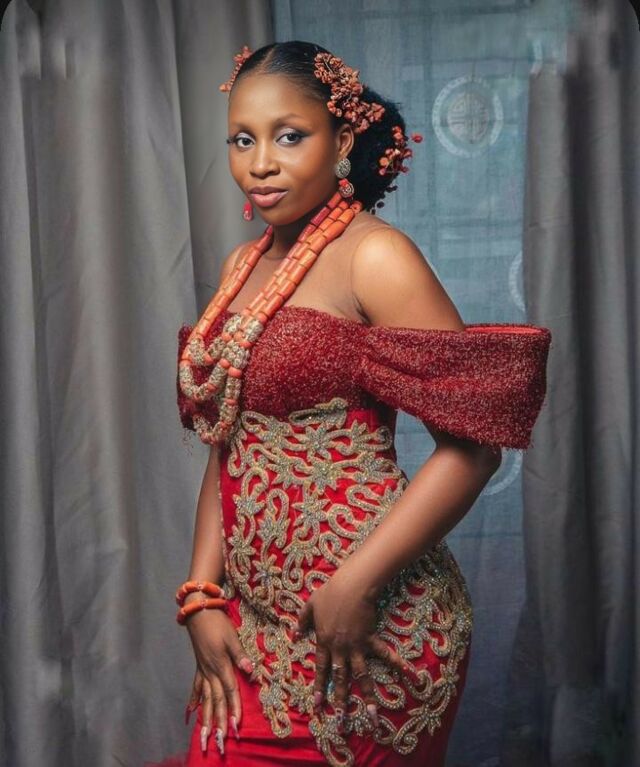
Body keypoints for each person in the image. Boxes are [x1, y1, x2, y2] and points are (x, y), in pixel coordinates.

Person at [173, 40, 551, 767]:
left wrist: (356, 583)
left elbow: (474, 447)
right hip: (253, 625)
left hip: (374, 624)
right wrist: (200, 593)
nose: (260, 163)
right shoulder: (240, 267)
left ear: (343, 140)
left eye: (289, 136)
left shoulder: (375, 256)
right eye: (243, 140)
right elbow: (229, 441)